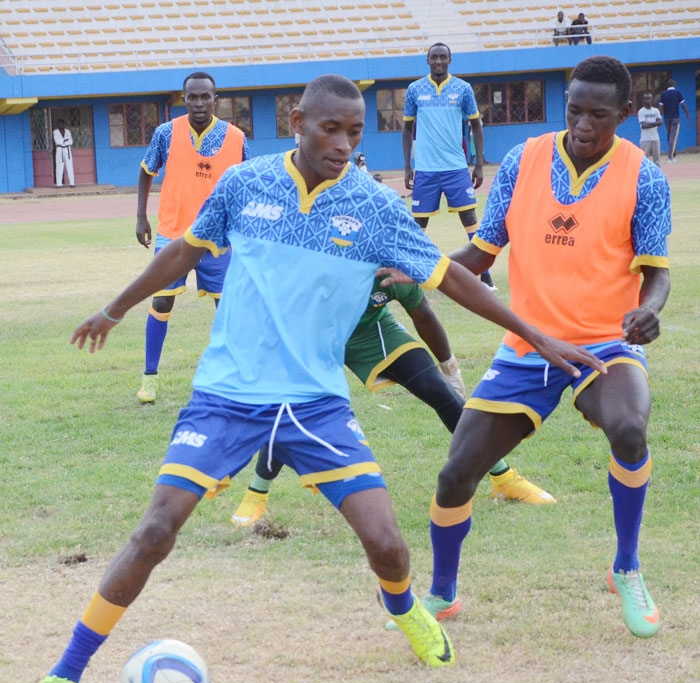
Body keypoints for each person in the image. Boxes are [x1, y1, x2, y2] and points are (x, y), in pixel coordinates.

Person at [24, 73, 605, 683]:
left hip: (316, 407)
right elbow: (184, 253)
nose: (344, 143)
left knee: (386, 543)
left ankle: (405, 609)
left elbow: (451, 280)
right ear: (298, 119)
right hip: (227, 398)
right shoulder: (245, 186)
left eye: (356, 133)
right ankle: (64, 673)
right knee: (155, 531)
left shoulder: (376, 209)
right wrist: (114, 308)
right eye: (331, 128)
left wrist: (533, 333)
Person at [383, 56, 671, 637]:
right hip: (527, 345)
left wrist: (650, 310)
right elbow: (482, 256)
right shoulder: (524, 160)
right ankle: (443, 594)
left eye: (598, 114)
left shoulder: (645, 176)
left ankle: (627, 566)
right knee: (455, 475)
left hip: (604, 344)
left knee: (629, 428)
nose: (583, 123)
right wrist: (414, 271)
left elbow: (657, 272)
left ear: (622, 113)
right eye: (574, 109)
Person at [231, 277, 555, 527]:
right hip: (312, 335)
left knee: (440, 392)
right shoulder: (323, 257)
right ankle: (256, 494)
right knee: (291, 406)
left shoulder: (394, 266)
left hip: (372, 332)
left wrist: (449, 367)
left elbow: (424, 314)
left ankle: (503, 478)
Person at [135, 71, 248, 404]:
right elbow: (146, 171)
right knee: (161, 301)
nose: (199, 103)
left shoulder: (236, 137)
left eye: (205, 97)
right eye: (192, 97)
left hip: (219, 238)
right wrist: (141, 216)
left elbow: (245, 183)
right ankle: (149, 379)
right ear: (183, 99)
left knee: (226, 308)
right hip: (173, 234)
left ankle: (235, 378)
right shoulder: (166, 133)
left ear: (216, 99)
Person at [403, 42, 496, 291]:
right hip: (425, 169)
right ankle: (413, 275)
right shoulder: (414, 90)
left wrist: (478, 164)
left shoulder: (463, 89)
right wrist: (407, 166)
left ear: (450, 60)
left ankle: (485, 276)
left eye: (443, 57)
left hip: (456, 167)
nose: (438, 62)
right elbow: (407, 129)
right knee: (418, 224)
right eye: (434, 57)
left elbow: (476, 126)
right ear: (428, 61)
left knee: (470, 218)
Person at [657, 79, 690, 163]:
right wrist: (687, 114)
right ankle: (670, 157)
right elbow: (683, 104)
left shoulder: (664, 94)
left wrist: (660, 116)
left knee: (669, 136)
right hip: (675, 117)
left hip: (667, 118)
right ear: (674, 85)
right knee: (673, 137)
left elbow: (661, 107)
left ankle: (673, 154)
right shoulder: (677, 93)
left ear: (667, 86)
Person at [638, 92, 662, 166]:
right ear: (643, 100)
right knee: (643, 160)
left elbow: (660, 122)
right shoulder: (641, 111)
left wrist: (648, 123)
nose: (647, 100)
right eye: (646, 99)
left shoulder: (656, 111)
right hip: (645, 139)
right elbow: (644, 125)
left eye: (649, 98)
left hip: (655, 138)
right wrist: (655, 123)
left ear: (652, 99)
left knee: (657, 160)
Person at [52, 119, 75, 187]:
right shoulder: (55, 131)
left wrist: (63, 141)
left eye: (62, 124)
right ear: (57, 125)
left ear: (64, 124)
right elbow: (57, 141)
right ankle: (59, 184)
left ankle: (72, 183)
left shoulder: (67, 131)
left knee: (70, 166)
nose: (60, 125)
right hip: (59, 149)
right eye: (59, 124)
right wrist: (64, 140)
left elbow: (71, 141)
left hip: (67, 150)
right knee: (59, 167)